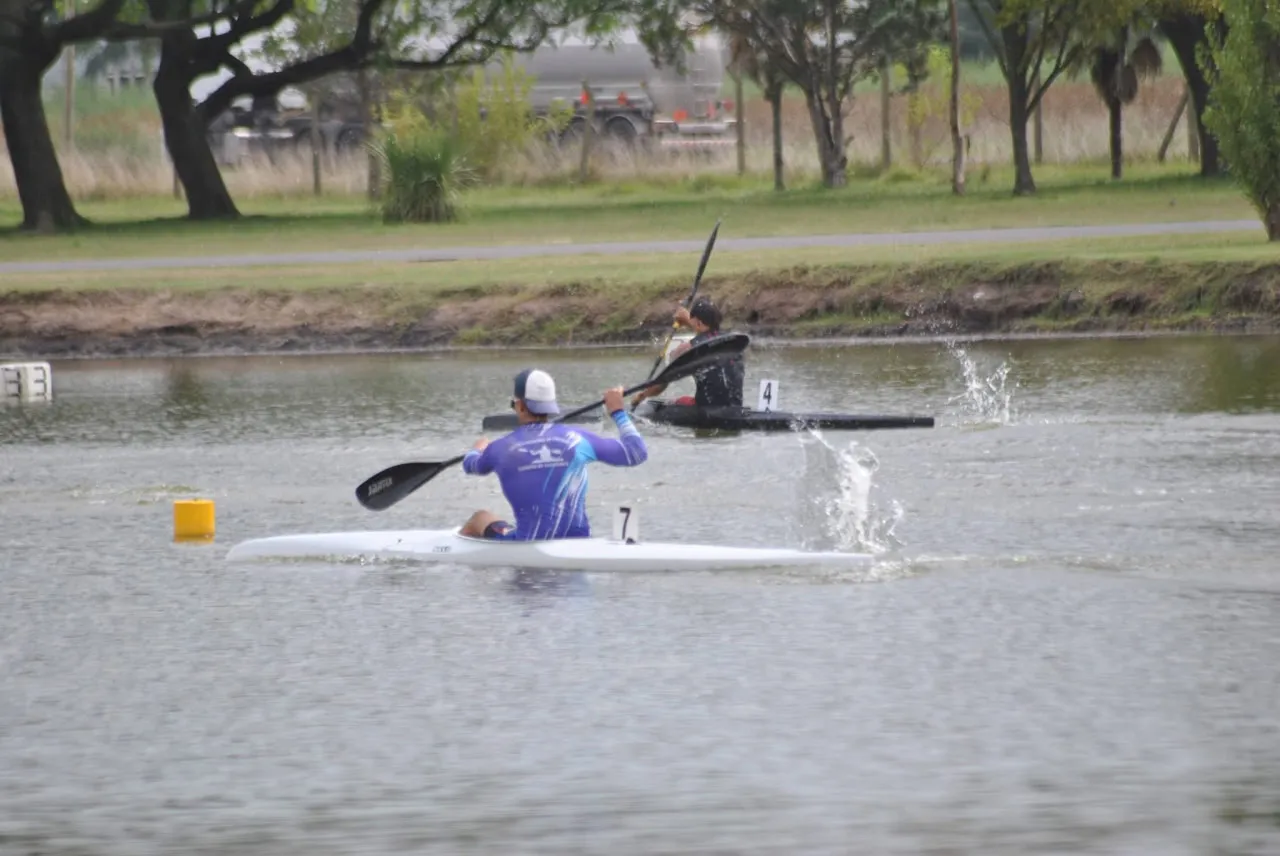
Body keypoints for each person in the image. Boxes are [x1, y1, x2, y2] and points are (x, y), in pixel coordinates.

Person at [459, 368, 649, 540]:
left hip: (527, 543)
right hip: (579, 541)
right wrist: (618, 412)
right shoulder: (578, 439)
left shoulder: (500, 448)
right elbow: (636, 452)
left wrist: (478, 448)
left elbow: (471, 465)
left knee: (480, 517)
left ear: (520, 406)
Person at [630, 295, 745, 410]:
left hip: (706, 411)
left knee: (678, 401)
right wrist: (689, 321)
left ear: (699, 323)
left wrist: (642, 396)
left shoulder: (687, 348)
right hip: (735, 408)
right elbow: (708, 337)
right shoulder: (733, 343)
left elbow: (661, 384)